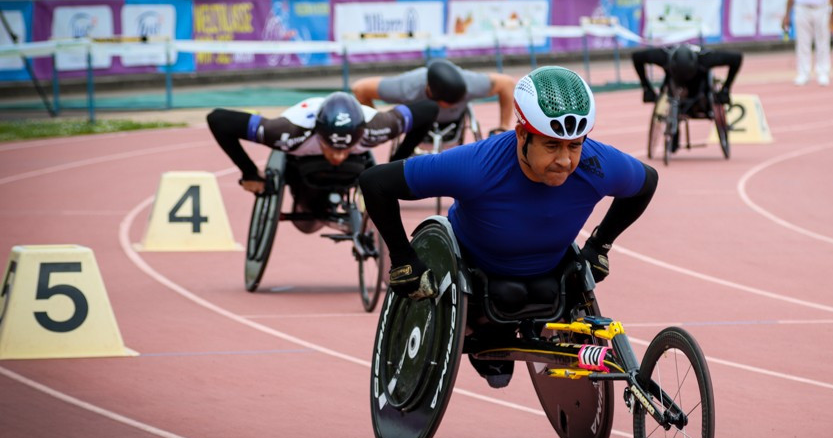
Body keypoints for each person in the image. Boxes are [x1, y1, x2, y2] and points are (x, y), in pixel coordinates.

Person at [358, 66, 658, 388]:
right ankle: (487, 333)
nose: (566, 161)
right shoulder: (476, 165)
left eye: (575, 145)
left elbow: (647, 181)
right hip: (477, 278)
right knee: (503, 327)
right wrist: (404, 259)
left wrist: (600, 245)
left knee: (543, 291)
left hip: (550, 280)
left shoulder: (596, 164)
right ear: (522, 135)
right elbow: (375, 183)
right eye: (552, 146)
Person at [206, 91, 429, 232]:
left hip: (354, 166)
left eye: (346, 149)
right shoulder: (287, 132)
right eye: (332, 148)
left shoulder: (379, 126)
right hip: (301, 166)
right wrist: (250, 173)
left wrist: (397, 162)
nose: (339, 156)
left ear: (361, 135)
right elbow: (217, 119)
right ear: (319, 135)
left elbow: (429, 110)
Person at [351, 58, 516, 157]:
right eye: (448, 102)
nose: (452, 104)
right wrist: (378, 124)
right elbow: (360, 88)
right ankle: (397, 161)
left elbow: (507, 84)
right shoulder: (408, 85)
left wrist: (503, 126)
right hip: (415, 128)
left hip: (454, 126)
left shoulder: (470, 82)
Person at [632, 43, 743, 152]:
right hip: (673, 86)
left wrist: (725, 89)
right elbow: (636, 57)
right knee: (673, 97)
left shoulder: (706, 58)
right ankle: (673, 128)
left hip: (699, 90)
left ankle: (683, 116)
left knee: (700, 96)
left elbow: (737, 58)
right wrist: (647, 89)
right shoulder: (664, 56)